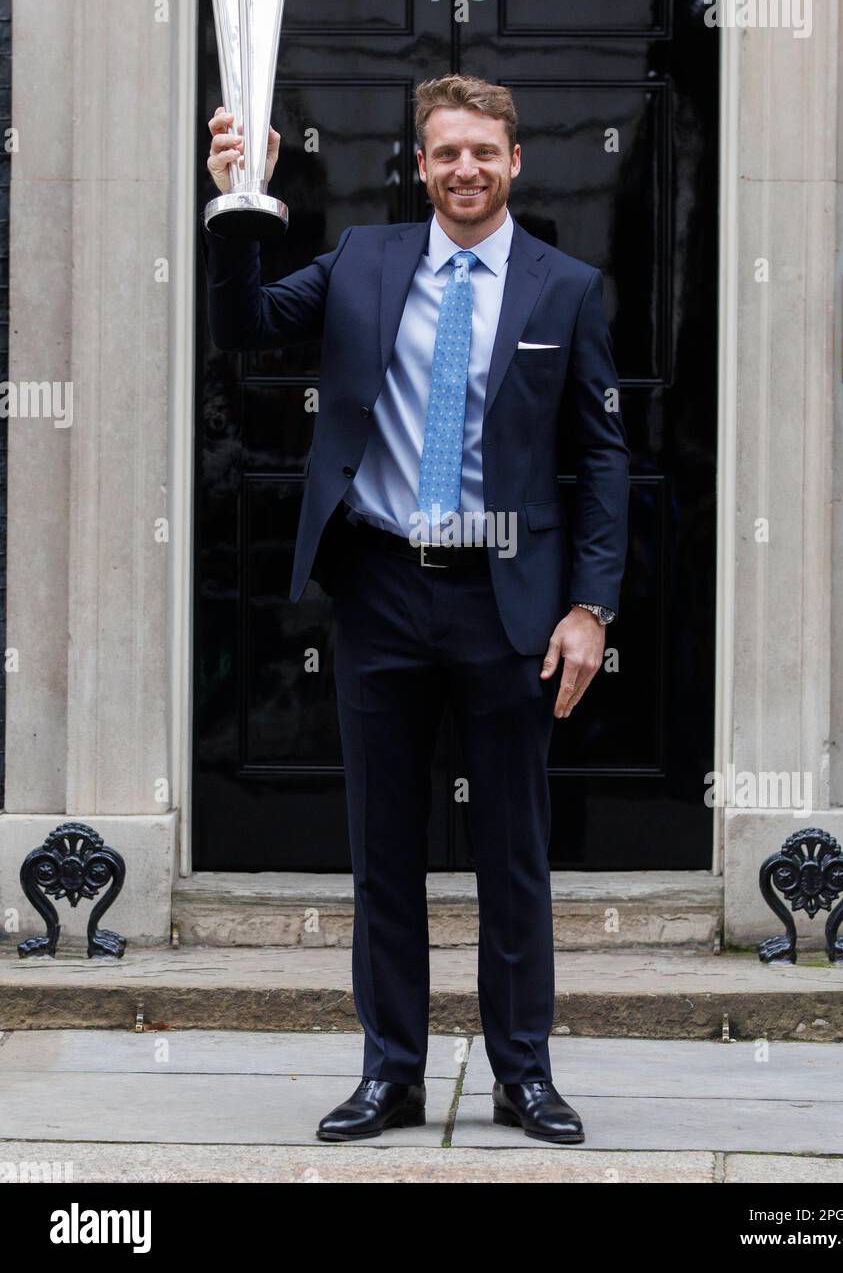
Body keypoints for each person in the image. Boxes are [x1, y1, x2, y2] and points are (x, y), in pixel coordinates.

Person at [201, 74, 631, 1144]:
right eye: (445, 153)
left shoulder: (566, 288)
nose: (465, 170)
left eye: (483, 151)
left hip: (506, 602)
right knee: (382, 849)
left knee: (514, 855)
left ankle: (521, 1075)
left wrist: (590, 605)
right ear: (421, 162)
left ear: (515, 160)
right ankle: (389, 1073)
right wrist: (239, 201)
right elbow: (244, 324)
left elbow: (602, 456)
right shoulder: (362, 261)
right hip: (384, 589)